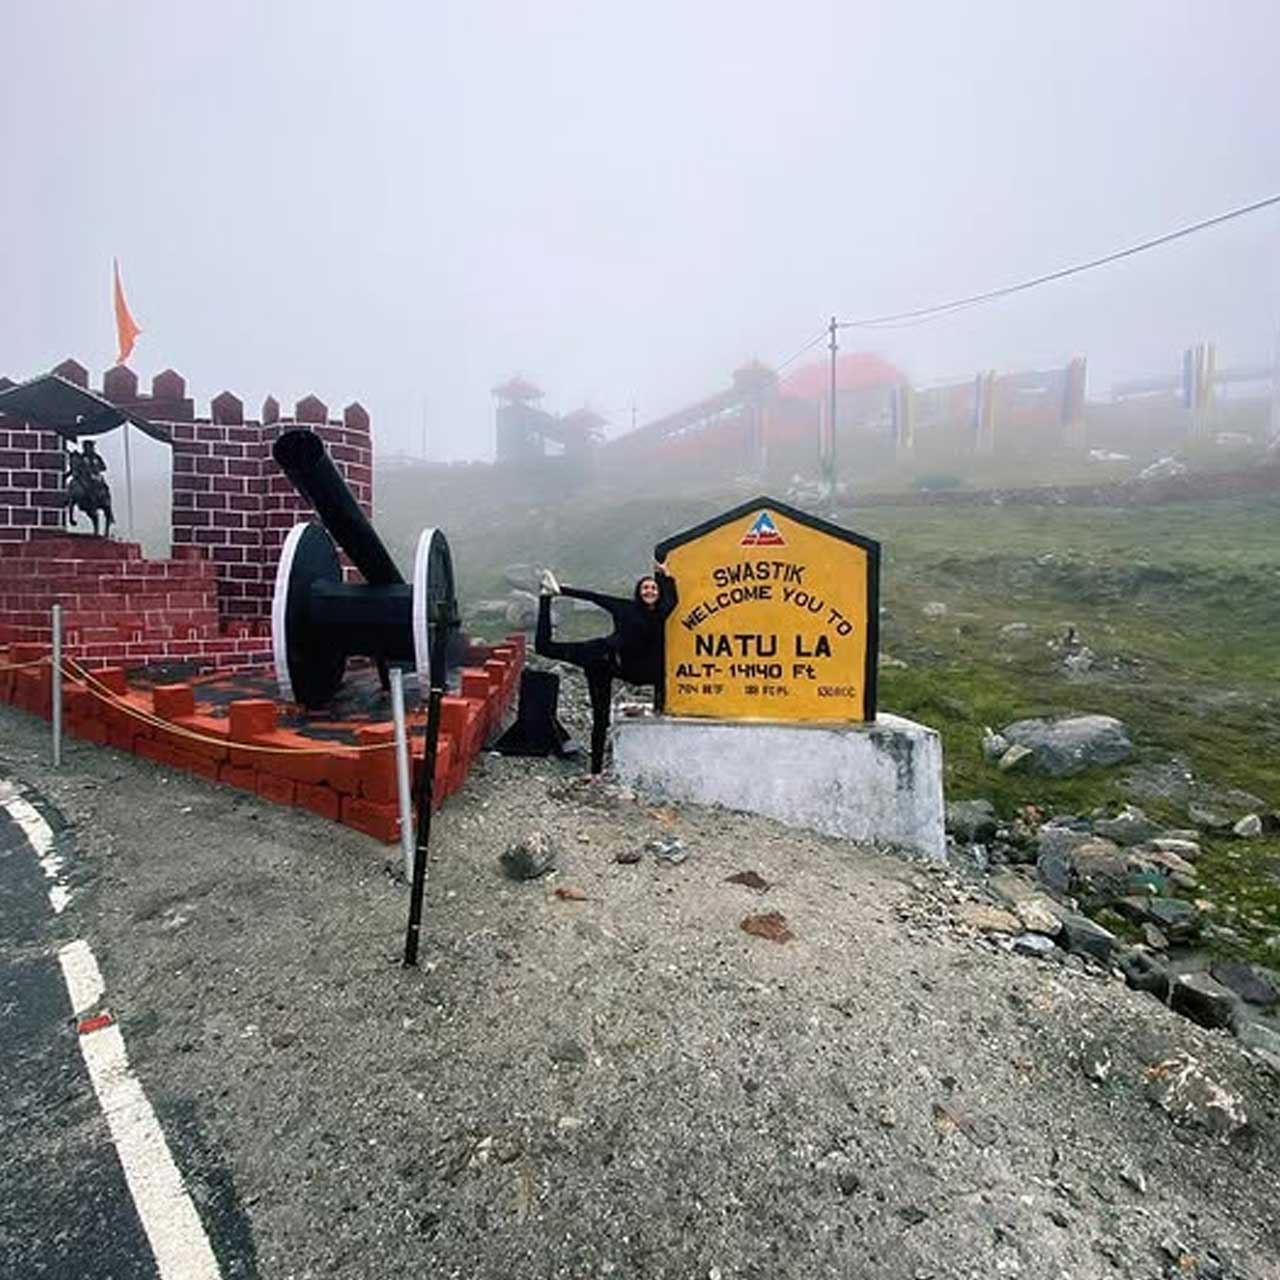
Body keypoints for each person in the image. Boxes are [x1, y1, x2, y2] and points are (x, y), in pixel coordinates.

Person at [535, 562, 677, 776]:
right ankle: (595, 773)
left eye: (653, 588)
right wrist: (561, 591)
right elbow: (595, 597)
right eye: (645, 588)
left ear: (658, 593)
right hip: (598, 657)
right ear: (638, 592)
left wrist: (667, 576)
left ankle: (595, 771)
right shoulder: (624, 606)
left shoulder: (660, 614)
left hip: (624, 667)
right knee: (544, 648)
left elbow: (673, 599)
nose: (649, 590)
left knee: (603, 718)